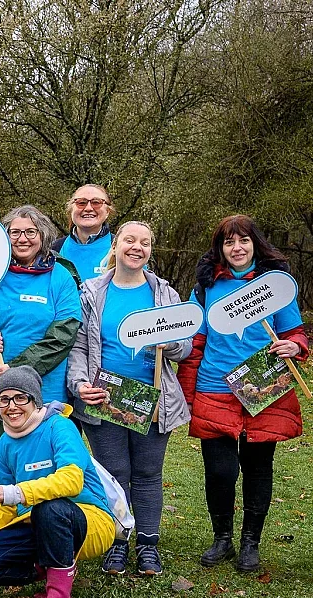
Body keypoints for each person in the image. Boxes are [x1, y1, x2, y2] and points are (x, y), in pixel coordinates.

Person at [177, 215, 308, 573]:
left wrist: (293, 347)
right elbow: (195, 344)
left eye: (244, 241)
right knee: (219, 471)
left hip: (262, 389)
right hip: (215, 389)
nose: (237, 248)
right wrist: (187, 398)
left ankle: (251, 542)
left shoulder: (275, 287)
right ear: (220, 248)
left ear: (255, 244)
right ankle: (222, 538)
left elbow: (295, 333)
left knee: (257, 468)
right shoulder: (205, 288)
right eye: (229, 242)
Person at [66, 221, 191, 577]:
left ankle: (148, 547)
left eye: (146, 243)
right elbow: (77, 346)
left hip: (153, 400)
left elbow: (184, 345)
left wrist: (173, 345)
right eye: (130, 240)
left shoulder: (164, 294)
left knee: (149, 474)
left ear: (151, 251)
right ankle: (117, 543)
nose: (137, 247)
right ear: (116, 245)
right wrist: (79, 384)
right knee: (114, 474)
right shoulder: (91, 292)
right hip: (105, 398)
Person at [0, 366, 116, 598]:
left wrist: (16, 493)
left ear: (35, 401)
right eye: (4, 399)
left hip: (88, 519)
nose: (12, 406)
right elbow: (2, 506)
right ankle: (53, 568)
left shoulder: (60, 427)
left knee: (49, 508)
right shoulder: (3, 446)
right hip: (35, 523)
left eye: (20, 398)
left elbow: (72, 481)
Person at [0, 204, 82, 481]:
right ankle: (0, 524)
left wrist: (17, 371)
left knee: (44, 473)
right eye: (14, 232)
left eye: (30, 232)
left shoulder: (60, 277)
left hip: (46, 392)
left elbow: (64, 335)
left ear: (43, 235)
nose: (22, 239)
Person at [50, 185, 113, 279]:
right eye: (81, 203)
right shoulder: (54, 249)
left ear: (107, 211)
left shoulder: (120, 248)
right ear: (71, 209)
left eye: (96, 202)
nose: (88, 208)